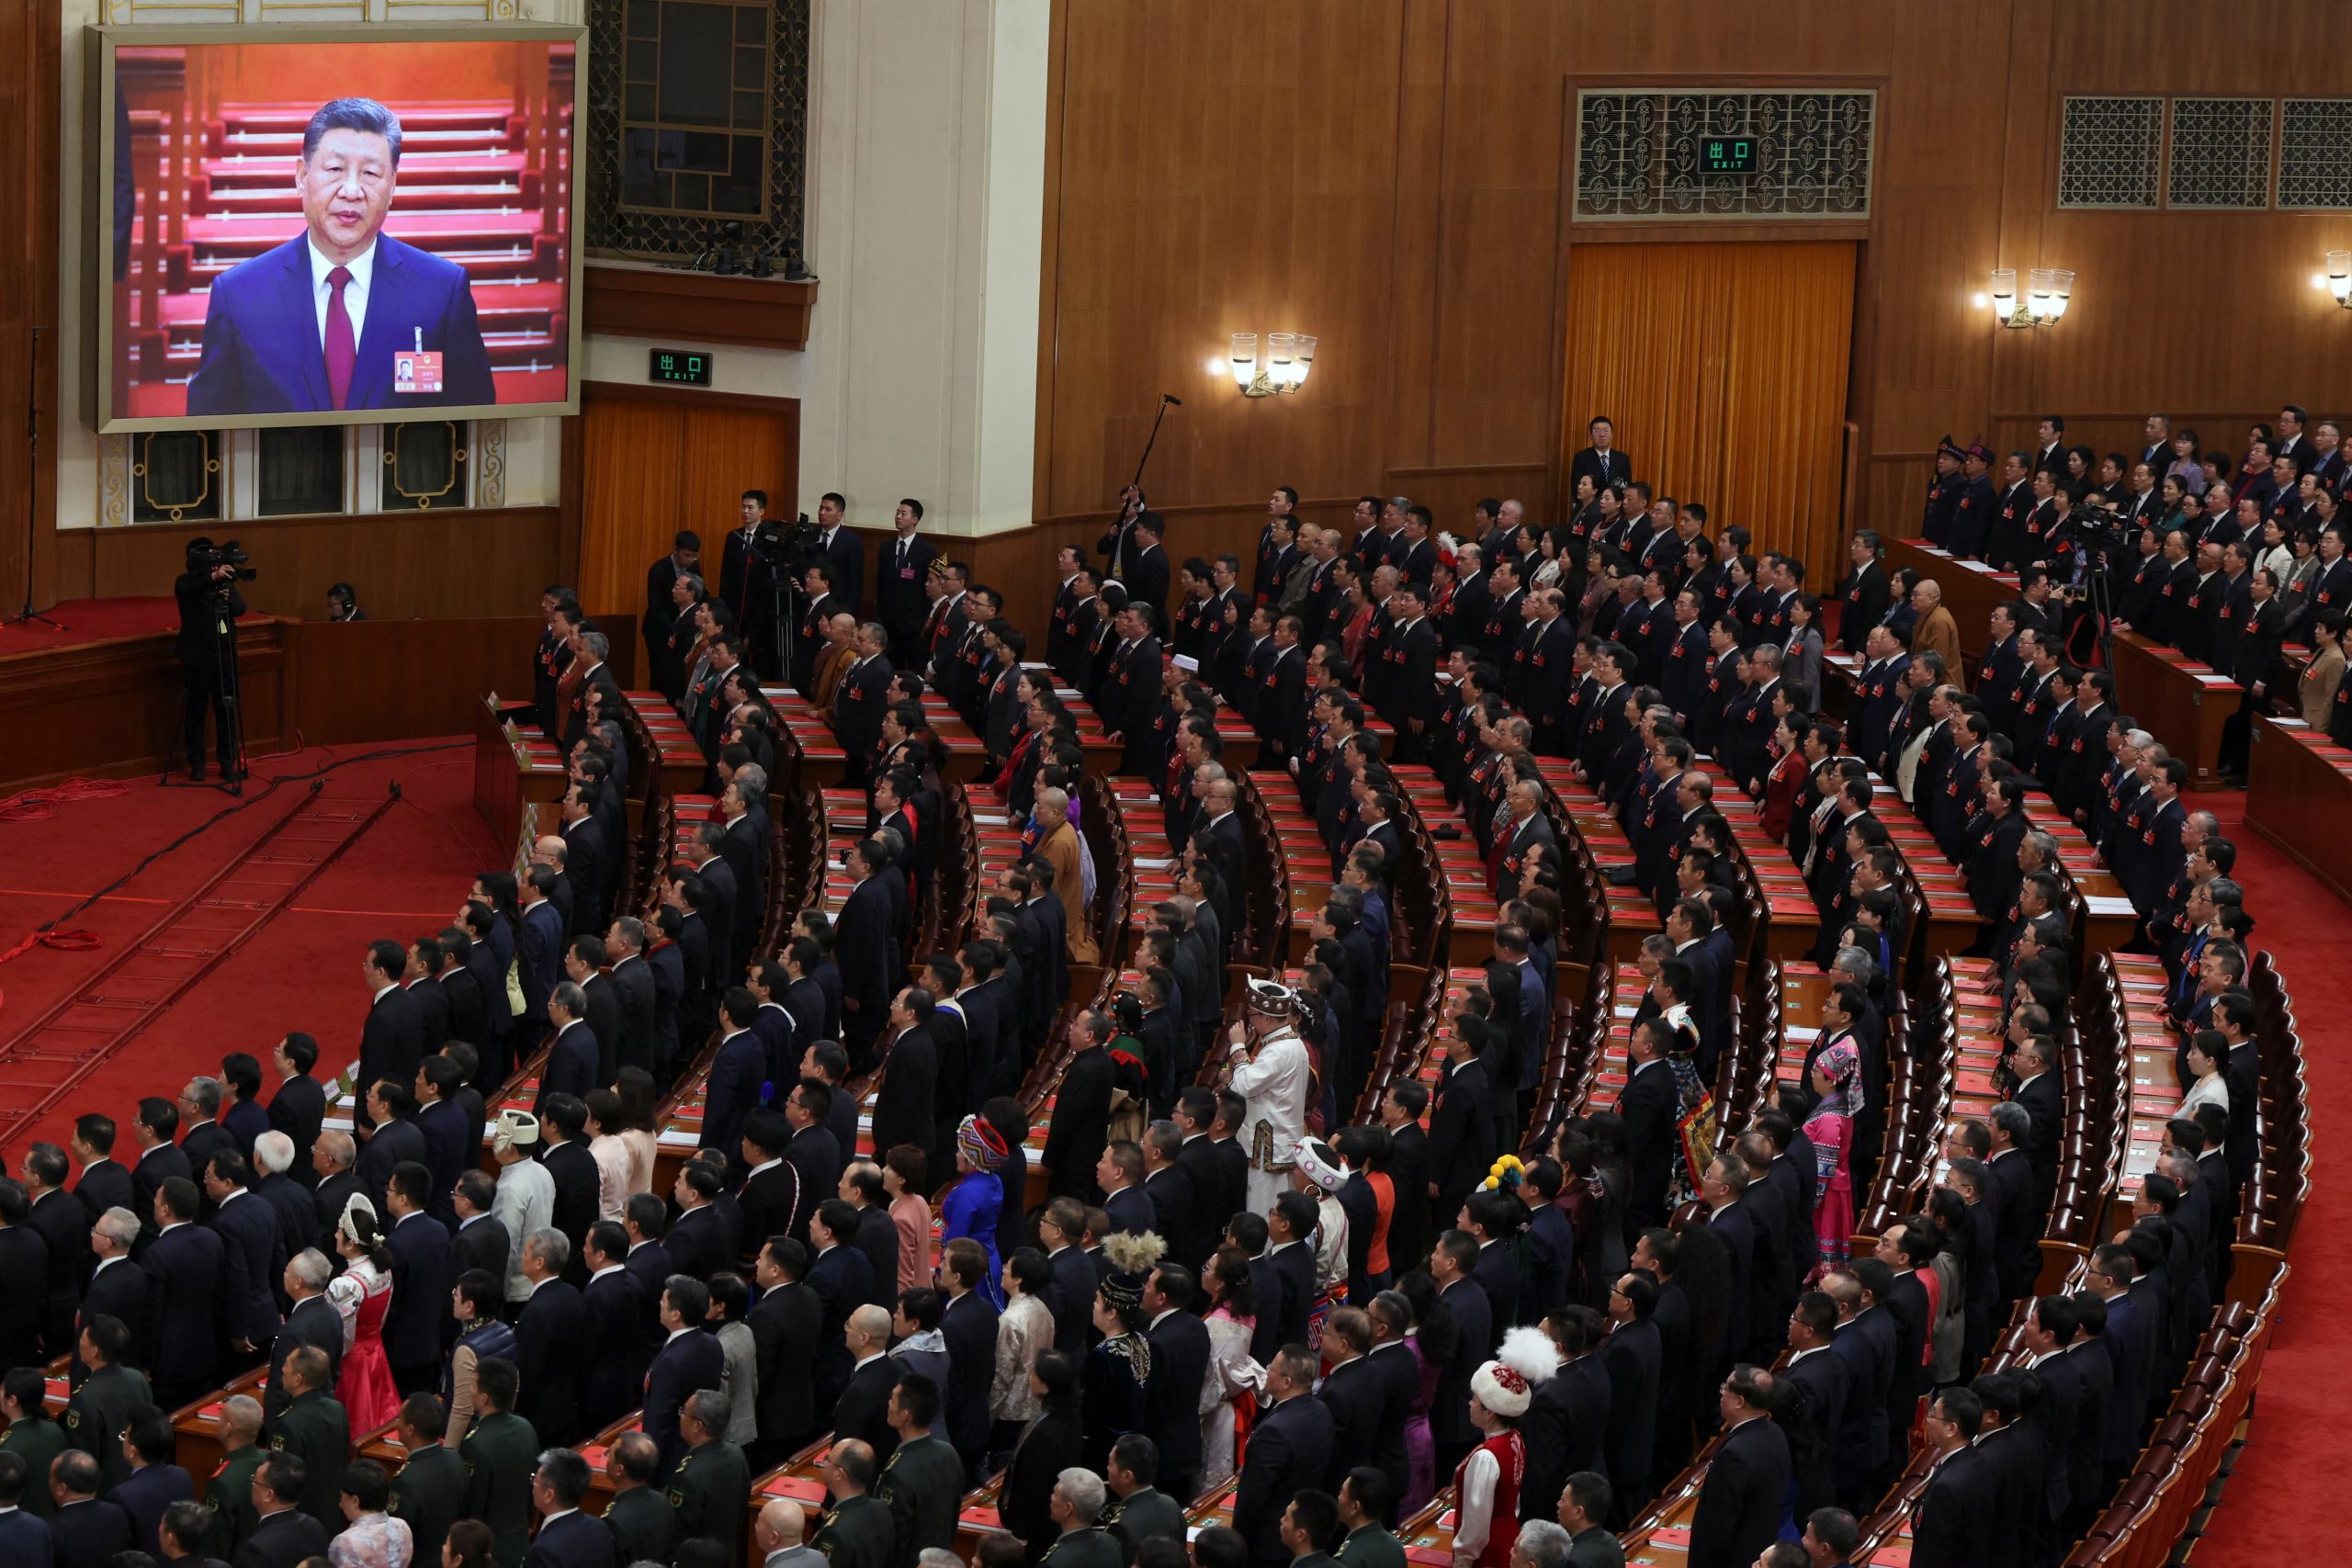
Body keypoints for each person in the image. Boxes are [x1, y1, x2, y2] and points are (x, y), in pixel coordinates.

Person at [187, 98, 494, 414]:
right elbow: (210, 426)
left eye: (371, 173)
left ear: (392, 186)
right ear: (301, 176)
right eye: (335, 169)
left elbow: (474, 421)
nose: (351, 190)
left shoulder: (441, 291)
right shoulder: (240, 296)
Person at [1234, 1346, 1336, 1568]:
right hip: (1303, 1531)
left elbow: (1254, 1496)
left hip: (1269, 1542)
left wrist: (1237, 1538)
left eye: (1271, 1369)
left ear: (1287, 1382)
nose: (1266, 1371)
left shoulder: (1274, 1431)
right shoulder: (1321, 1410)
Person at [1686, 1364, 1791, 1568]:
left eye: (1725, 1389)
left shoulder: (1734, 1456)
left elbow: (1718, 1526)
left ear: (1740, 1402)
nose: (1721, 1394)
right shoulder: (1774, 1432)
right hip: (1759, 1546)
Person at [1801, 1043, 1859, 1281]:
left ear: (1832, 1080)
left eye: (1817, 1071)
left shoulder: (1830, 1118)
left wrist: (1809, 1201)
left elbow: (1824, 1166)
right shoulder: (1834, 1105)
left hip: (1826, 1193)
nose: (1811, 1074)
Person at [328, 1461, 412, 1568]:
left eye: (342, 1496)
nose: (340, 1504)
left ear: (355, 1500)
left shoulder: (345, 1542)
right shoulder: (402, 1527)